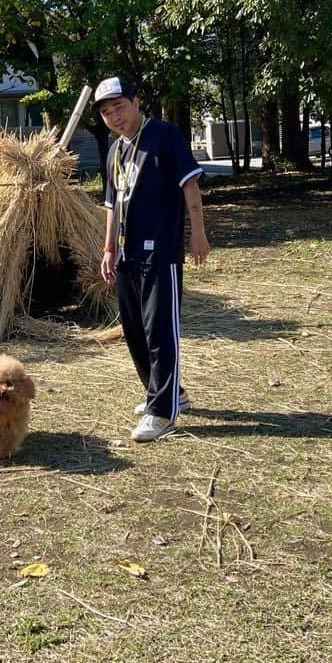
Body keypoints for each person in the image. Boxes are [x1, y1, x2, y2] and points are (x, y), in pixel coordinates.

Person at [95, 76, 210, 442]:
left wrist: (198, 232)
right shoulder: (115, 150)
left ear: (136, 102)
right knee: (135, 330)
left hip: (160, 251)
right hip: (127, 254)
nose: (115, 116)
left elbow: (189, 185)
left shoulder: (164, 135)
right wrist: (109, 249)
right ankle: (167, 392)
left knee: (160, 329)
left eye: (119, 106)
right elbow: (112, 204)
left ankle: (163, 413)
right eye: (106, 112)